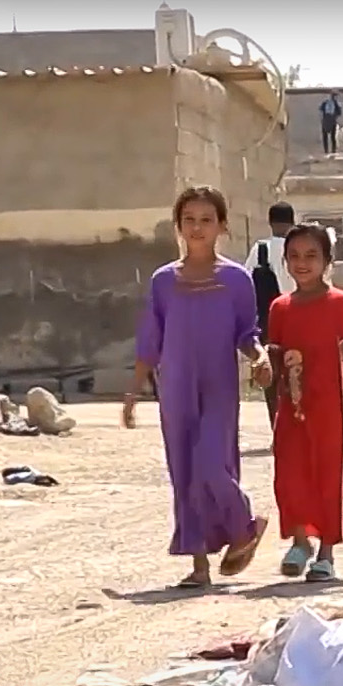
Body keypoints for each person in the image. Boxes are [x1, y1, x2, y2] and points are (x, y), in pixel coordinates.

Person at [124, 185, 271, 589]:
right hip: (175, 387)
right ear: (178, 226)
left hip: (219, 385)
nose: (197, 227)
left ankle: (244, 525)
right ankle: (199, 564)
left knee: (211, 463)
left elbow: (247, 332)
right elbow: (151, 339)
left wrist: (260, 357)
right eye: (189, 220)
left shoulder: (236, 279)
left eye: (206, 220)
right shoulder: (163, 281)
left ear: (222, 226)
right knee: (185, 471)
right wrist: (133, 391)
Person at [266, 223, 343, 582]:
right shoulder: (280, 307)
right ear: (285, 261)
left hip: (331, 405)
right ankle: (299, 541)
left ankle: (326, 552)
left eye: (311, 255)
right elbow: (274, 358)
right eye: (294, 256)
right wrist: (265, 377)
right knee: (291, 473)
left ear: (327, 260)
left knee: (329, 474)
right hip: (292, 405)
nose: (302, 263)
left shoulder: (339, 302)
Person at [250, 202, 296, 425]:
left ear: (270, 222)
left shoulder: (260, 250)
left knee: (273, 380)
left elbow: (247, 287)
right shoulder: (302, 249)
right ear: (292, 221)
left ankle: (278, 428)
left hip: (270, 325)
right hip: (298, 321)